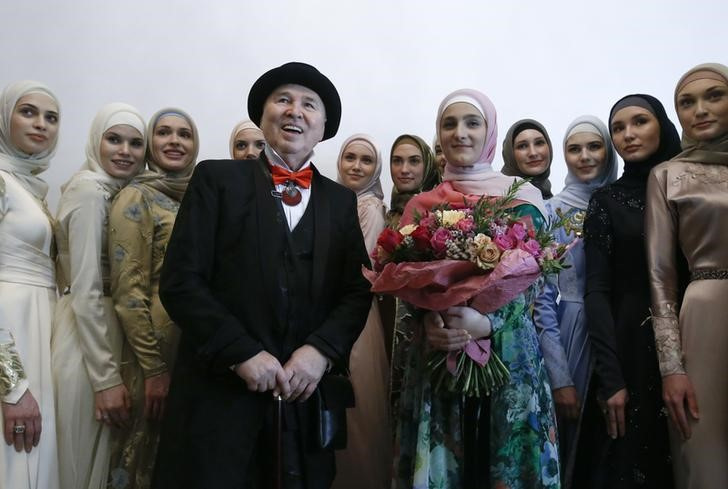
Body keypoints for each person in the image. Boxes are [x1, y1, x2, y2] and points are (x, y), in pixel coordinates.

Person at [152, 62, 372, 489]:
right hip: (219, 396)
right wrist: (241, 353)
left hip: (301, 399)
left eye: (309, 105)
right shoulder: (216, 180)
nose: (295, 111)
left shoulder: (340, 202)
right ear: (262, 113)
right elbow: (181, 281)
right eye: (283, 100)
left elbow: (356, 289)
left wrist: (320, 353)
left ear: (323, 125)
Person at [392, 89, 559, 489]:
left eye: (472, 123)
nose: (460, 133)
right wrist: (431, 317)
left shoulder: (523, 198)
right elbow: (407, 280)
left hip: (510, 354)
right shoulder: (421, 206)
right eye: (449, 124)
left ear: (489, 131)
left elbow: (538, 282)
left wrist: (489, 321)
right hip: (440, 352)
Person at [574, 95, 681, 488]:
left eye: (639, 122)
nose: (628, 134)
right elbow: (596, 290)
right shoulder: (607, 201)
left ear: (662, 126)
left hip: (700, 334)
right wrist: (610, 377)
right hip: (633, 348)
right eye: (618, 127)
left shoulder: (690, 186)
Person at [52, 103, 146, 489]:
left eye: (135, 143)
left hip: (108, 333)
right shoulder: (90, 191)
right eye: (114, 139)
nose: (124, 150)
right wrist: (105, 380)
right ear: (96, 141)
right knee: (83, 465)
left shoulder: (121, 194)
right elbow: (87, 288)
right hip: (89, 339)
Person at [107, 107, 199, 489]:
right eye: (164, 133)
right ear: (151, 143)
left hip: (191, 349)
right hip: (152, 352)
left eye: (184, 134)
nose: (175, 141)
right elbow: (128, 292)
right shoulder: (135, 197)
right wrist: (154, 369)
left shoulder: (198, 195)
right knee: (140, 457)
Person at [646, 63, 728, 489]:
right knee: (704, 458)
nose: (700, 109)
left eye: (714, 95)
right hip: (704, 318)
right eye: (687, 102)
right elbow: (660, 277)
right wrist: (671, 368)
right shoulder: (668, 176)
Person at [533, 115, 618, 487]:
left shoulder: (625, 202)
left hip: (623, 329)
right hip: (572, 332)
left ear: (608, 151)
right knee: (575, 441)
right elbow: (542, 299)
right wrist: (560, 376)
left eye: (594, 146)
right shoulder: (552, 212)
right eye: (574, 149)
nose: (584, 156)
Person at [0, 80, 61, 489]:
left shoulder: (29, 186)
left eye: (51, 117)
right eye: (28, 112)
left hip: (39, 330)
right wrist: (12, 386)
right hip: (11, 337)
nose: (41, 124)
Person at [332, 134, 391, 489]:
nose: (356, 166)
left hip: (355, 318)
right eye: (350, 157)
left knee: (356, 415)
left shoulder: (370, 209)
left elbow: (360, 270)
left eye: (366, 160)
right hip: (328, 312)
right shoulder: (335, 202)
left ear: (376, 169)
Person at [385, 134, 440, 230]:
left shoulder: (440, 212)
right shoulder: (392, 213)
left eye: (414, 161)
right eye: (397, 161)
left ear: (428, 166)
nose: (404, 170)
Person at [501, 119, 554, 199]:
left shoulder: (559, 203)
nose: (533, 153)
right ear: (510, 154)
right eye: (522, 146)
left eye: (539, 143)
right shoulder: (495, 199)